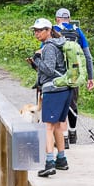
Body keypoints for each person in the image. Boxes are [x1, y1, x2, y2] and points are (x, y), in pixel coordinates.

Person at [26, 17, 72, 177]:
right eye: (35, 30)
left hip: (54, 90)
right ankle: (61, 159)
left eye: (40, 30)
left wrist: (37, 59)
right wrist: (35, 64)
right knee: (58, 125)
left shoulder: (49, 47)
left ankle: (49, 163)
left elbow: (50, 70)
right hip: (64, 89)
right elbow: (50, 69)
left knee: (48, 126)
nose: (36, 33)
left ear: (48, 30)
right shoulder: (56, 45)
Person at [53, 8, 94, 146]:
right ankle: (73, 133)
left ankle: (63, 138)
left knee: (60, 104)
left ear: (57, 19)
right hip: (75, 75)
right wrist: (90, 77)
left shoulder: (52, 31)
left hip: (58, 74)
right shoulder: (77, 31)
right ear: (69, 19)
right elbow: (88, 57)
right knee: (72, 103)